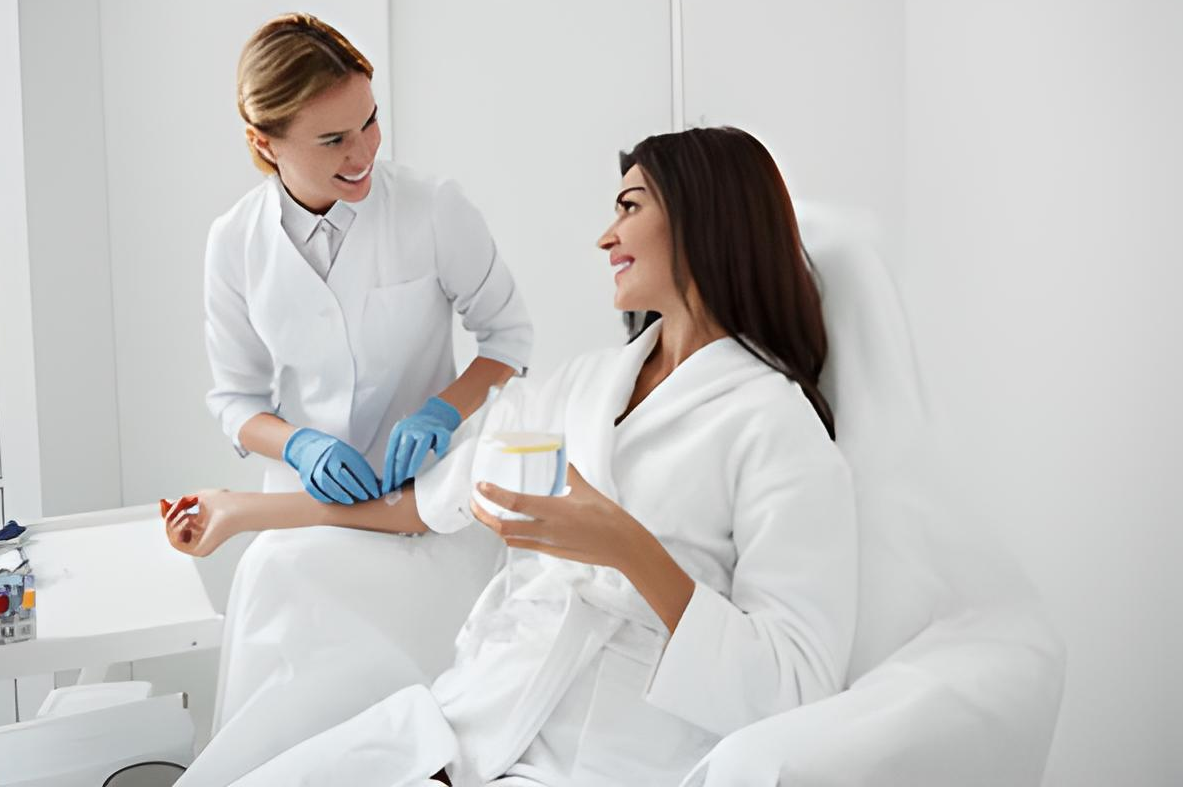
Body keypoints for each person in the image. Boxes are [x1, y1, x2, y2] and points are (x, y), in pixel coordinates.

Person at [174, 127, 856, 786]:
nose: (605, 235)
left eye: (629, 206)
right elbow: (426, 502)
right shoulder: (580, 386)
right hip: (467, 719)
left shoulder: (776, 423)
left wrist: (629, 549)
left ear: (705, 217)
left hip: (602, 755)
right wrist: (244, 511)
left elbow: (795, 684)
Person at [201, 12, 532, 733]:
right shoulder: (234, 245)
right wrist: (297, 445)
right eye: (333, 140)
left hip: (426, 507)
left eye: (370, 123)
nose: (363, 153)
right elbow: (236, 400)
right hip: (307, 509)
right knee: (277, 598)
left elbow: (509, 335)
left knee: (422, 711)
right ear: (265, 143)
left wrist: (444, 409)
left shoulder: (431, 208)